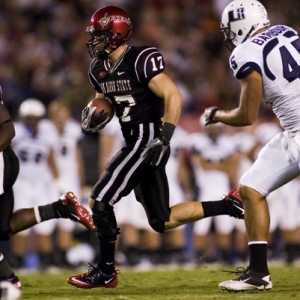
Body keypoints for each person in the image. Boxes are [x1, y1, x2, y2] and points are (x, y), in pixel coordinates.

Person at [67, 6, 244, 290]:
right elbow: (106, 99)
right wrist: (94, 115)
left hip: (147, 139)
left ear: (116, 33)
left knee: (100, 200)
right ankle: (229, 204)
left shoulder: (140, 58)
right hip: (134, 139)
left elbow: (174, 95)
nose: (94, 41)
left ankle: (106, 270)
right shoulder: (98, 67)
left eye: (99, 35)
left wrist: (164, 137)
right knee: (162, 220)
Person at [204, 0, 300, 291]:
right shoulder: (287, 31)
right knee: (250, 188)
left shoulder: (245, 52)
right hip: (293, 132)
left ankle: (259, 273)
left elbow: (247, 115)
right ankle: (258, 273)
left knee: (252, 190)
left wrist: (217, 114)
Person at [0, 88, 94, 289]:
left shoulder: (45, 133)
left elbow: (50, 159)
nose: (32, 121)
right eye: (29, 117)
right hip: (22, 182)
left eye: (35, 117)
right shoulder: (22, 132)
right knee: (6, 228)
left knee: (14, 227)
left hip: (31, 180)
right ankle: (13, 269)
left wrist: (59, 181)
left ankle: (24, 269)